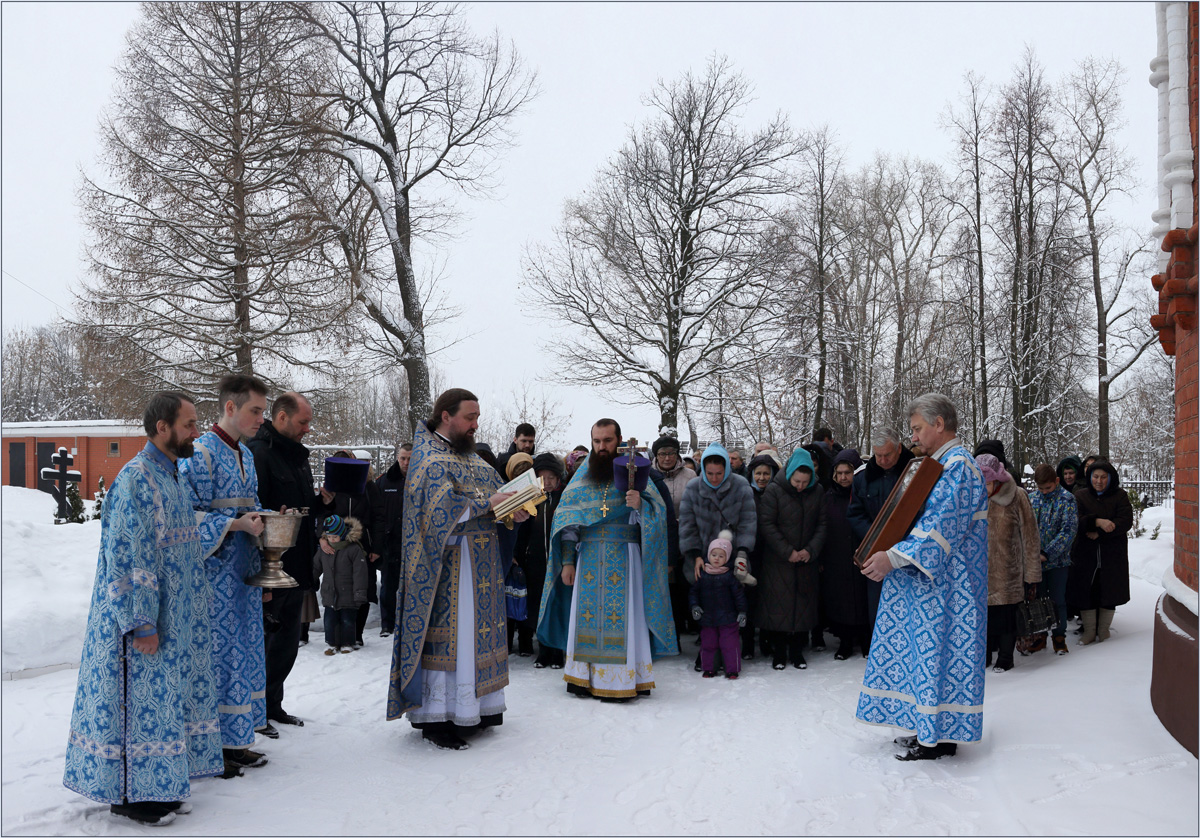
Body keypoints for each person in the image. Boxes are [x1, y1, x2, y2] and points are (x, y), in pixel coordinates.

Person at [63, 392, 223, 826]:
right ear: (162, 428)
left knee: (165, 703)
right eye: (189, 424)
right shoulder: (137, 479)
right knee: (140, 704)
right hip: (143, 621)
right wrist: (140, 621)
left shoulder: (171, 475)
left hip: (174, 617)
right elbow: (129, 559)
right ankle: (134, 797)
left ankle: (160, 788)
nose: (196, 432)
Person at [387, 389, 525, 750]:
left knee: (475, 638)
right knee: (454, 639)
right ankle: (439, 718)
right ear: (446, 416)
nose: (475, 424)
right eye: (470, 417)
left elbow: (499, 497)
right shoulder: (429, 459)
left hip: (481, 569)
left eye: (478, 417)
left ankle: (477, 709)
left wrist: (514, 509)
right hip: (446, 573)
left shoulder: (474, 460)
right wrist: (488, 504)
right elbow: (439, 511)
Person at [857, 394, 988, 761]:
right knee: (928, 656)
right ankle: (928, 731)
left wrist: (892, 558)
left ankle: (938, 741)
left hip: (950, 587)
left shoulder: (959, 467)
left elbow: (939, 528)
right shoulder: (937, 465)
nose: (912, 437)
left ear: (939, 425)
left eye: (917, 429)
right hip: (936, 584)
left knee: (940, 656)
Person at [537, 418, 677, 700]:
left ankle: (624, 679)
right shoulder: (581, 476)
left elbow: (659, 517)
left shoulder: (637, 472)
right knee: (586, 619)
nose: (602, 447)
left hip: (625, 557)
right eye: (597, 441)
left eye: (607, 441)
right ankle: (583, 679)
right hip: (587, 558)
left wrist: (640, 507)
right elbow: (567, 521)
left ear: (619, 440)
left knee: (626, 617)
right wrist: (566, 561)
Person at [178, 374, 270, 776]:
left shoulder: (246, 455)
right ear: (230, 407)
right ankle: (211, 748)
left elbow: (249, 505)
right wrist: (234, 526)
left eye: (264, 412)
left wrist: (268, 519)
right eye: (255, 411)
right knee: (217, 660)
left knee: (242, 657)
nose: (261, 419)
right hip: (213, 579)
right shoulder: (201, 452)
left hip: (243, 576)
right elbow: (186, 517)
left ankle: (235, 741)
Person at [247, 392, 333, 729]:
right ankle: (255, 712)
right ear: (281, 418)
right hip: (271, 570)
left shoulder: (296, 457)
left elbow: (299, 510)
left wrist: (321, 502)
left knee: (286, 645)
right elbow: (255, 513)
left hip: (296, 566)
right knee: (265, 644)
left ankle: (273, 705)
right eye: (303, 422)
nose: (307, 429)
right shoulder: (259, 454)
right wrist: (261, 574)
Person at [678, 443, 757, 671]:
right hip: (704, 556)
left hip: (732, 555)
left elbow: (748, 522)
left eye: (719, 474)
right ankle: (708, 651)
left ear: (727, 470)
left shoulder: (741, 487)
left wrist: (742, 551)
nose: (714, 478)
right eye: (709, 473)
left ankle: (730, 650)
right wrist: (693, 555)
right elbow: (687, 525)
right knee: (707, 605)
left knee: (732, 604)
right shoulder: (694, 488)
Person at [757, 448, 826, 670]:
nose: (800, 486)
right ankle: (779, 653)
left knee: (803, 607)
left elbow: (822, 525)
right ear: (789, 475)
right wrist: (788, 551)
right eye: (797, 481)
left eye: (805, 482)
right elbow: (767, 524)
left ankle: (797, 652)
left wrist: (810, 550)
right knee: (779, 608)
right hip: (779, 560)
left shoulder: (818, 492)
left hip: (806, 560)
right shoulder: (774, 491)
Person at [847, 427, 915, 649]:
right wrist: (878, 538)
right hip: (876, 555)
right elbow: (855, 514)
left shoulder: (916, 471)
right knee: (879, 612)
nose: (883, 460)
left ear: (899, 448)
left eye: (888, 454)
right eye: (878, 455)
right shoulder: (862, 478)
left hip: (910, 555)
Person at [976, 454, 1041, 673]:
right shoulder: (972, 498)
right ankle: (982, 657)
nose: (983, 486)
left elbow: (1030, 536)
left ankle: (1005, 657)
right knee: (980, 617)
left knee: (1006, 618)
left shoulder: (1017, 496)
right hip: (978, 571)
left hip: (1008, 570)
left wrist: (1031, 574)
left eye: (987, 482)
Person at [1067, 459, 1133, 645]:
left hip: (1112, 553)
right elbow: (1075, 519)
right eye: (1095, 476)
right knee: (1086, 590)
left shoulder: (1120, 496)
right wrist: (1097, 521)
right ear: (1089, 477)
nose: (1099, 481)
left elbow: (1125, 521)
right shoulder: (1080, 495)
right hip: (1085, 553)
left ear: (1111, 478)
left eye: (1104, 477)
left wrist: (1100, 532)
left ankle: (1103, 630)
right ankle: (1088, 631)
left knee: (1108, 590)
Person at [514, 452, 567, 666]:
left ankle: (558, 651)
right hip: (535, 561)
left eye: (551, 478)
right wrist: (517, 555)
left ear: (558, 478)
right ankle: (544, 651)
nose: (547, 482)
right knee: (538, 606)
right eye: (542, 478)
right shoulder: (532, 499)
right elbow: (521, 530)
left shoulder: (565, 498)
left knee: (557, 605)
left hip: (560, 561)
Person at [328, 449, 381, 648]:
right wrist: (323, 538)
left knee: (363, 587)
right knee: (339, 587)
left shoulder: (369, 487)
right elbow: (323, 514)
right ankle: (338, 634)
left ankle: (357, 633)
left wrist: (377, 546)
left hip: (363, 544)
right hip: (337, 543)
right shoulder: (332, 487)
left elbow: (378, 517)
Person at [820, 449, 869, 660]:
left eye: (847, 472)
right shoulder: (828, 497)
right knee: (842, 601)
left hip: (862, 554)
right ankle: (845, 642)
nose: (842, 477)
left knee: (863, 598)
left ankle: (866, 640)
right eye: (838, 473)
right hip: (837, 556)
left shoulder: (864, 492)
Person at [650, 435, 696, 642]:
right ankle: (670, 631)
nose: (667, 458)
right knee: (666, 586)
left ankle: (691, 623)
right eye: (662, 454)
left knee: (686, 583)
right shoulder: (648, 477)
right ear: (656, 456)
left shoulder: (690, 476)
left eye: (671, 453)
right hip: (660, 537)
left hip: (686, 533)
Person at [1030, 463, 1078, 656]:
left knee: (1058, 600)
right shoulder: (1032, 499)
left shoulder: (1067, 500)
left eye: (1048, 488)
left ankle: (1059, 637)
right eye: (1040, 488)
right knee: (1038, 600)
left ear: (1056, 481)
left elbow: (1068, 531)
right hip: (1034, 562)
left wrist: (1048, 553)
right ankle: (1040, 635)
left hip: (1058, 562)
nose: (1044, 492)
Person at [690, 532, 748, 679]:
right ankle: (709, 668)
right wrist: (695, 606)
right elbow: (693, 593)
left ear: (727, 558)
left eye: (721, 556)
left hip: (728, 618)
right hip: (708, 618)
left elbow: (739, 596)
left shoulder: (730, 576)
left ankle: (732, 670)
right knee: (708, 645)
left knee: (730, 645)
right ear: (708, 555)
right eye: (714, 554)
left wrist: (742, 612)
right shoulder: (702, 574)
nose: (716, 558)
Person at [313, 515, 369, 655]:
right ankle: (331, 643)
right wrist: (310, 580)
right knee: (330, 621)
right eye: (329, 537)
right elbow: (316, 567)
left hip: (348, 593)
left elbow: (359, 573)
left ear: (343, 534)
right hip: (329, 592)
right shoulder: (324, 550)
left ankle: (347, 643)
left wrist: (359, 592)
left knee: (347, 620)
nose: (332, 540)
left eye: (335, 537)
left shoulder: (353, 549)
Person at [742, 453, 779, 658]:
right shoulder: (746, 494)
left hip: (772, 554)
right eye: (758, 473)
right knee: (748, 600)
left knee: (768, 599)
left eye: (766, 473)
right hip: (750, 553)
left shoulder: (778, 494)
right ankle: (747, 643)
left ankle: (766, 641)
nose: (762, 478)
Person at [376, 443, 412, 638]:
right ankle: (387, 624)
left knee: (412, 586)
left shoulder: (422, 480)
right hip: (390, 542)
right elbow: (376, 512)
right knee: (388, 586)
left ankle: (408, 622)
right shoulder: (385, 482)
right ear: (397, 458)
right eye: (403, 458)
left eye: (409, 458)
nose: (406, 462)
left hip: (414, 543)